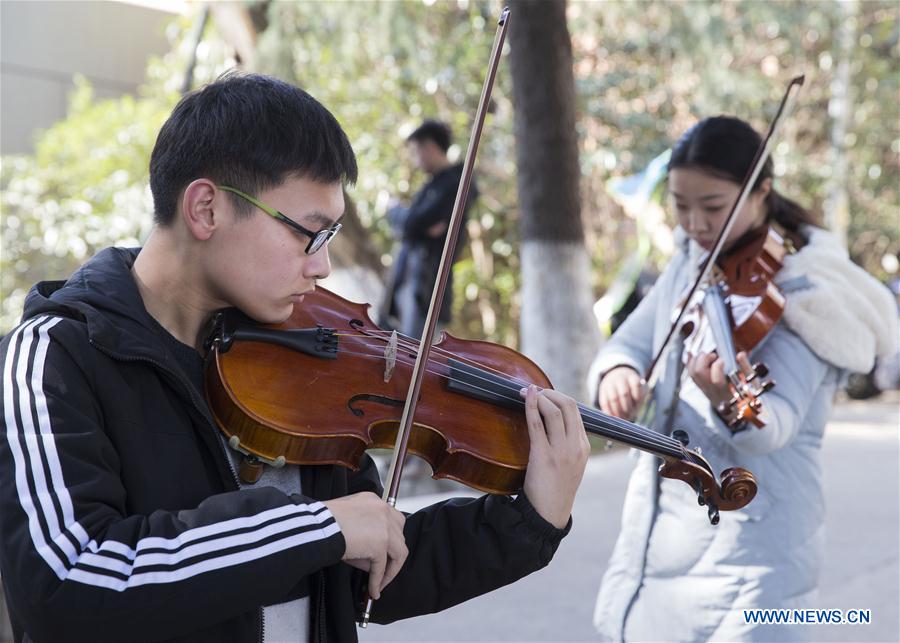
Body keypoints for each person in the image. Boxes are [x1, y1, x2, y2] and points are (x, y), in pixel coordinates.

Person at [0, 73, 590, 643]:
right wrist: (318, 526)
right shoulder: (54, 357)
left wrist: (529, 521)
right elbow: (68, 586)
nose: (322, 266)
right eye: (308, 232)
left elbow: (364, 573)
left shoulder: (299, 357)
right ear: (205, 208)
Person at [589, 116, 897, 642]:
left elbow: (771, 427)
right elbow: (631, 341)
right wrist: (616, 370)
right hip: (661, 544)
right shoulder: (692, 262)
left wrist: (722, 397)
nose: (694, 223)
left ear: (761, 193)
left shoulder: (806, 297)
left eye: (713, 207)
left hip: (755, 559)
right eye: (681, 205)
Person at [378, 119, 477, 338]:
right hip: (407, 282)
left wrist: (394, 210)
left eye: (415, 153)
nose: (414, 161)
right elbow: (416, 225)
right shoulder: (431, 186)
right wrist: (414, 224)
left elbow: (413, 223)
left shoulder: (455, 184)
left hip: (427, 288)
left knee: (416, 357)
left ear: (430, 148)